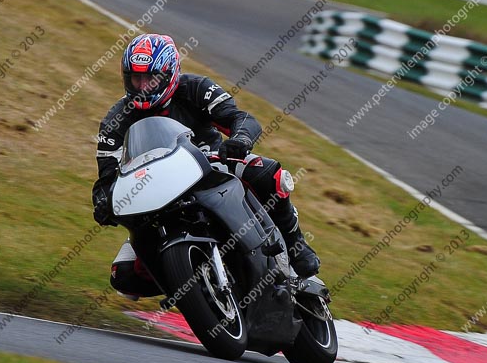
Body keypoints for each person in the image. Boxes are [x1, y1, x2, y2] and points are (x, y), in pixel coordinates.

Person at [92, 34, 319, 299]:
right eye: (136, 78)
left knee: (269, 174)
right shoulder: (116, 119)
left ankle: (295, 245)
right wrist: (103, 200)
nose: (142, 86)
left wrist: (240, 139)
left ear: (169, 74)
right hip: (156, 190)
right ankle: (192, 290)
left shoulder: (195, 88)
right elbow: (106, 176)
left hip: (210, 166)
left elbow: (240, 118)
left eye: (150, 78)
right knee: (123, 277)